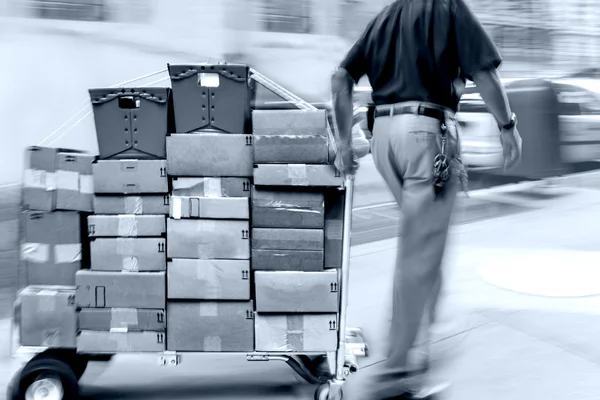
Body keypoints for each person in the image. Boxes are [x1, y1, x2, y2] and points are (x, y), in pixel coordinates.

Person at [330, 0, 523, 399]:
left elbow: (340, 78)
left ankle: (432, 325)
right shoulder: (447, 7)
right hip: (427, 137)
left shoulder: (384, 17)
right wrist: (508, 125)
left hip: (384, 140)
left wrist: (345, 145)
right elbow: (483, 72)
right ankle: (397, 373)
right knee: (418, 255)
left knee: (424, 242)